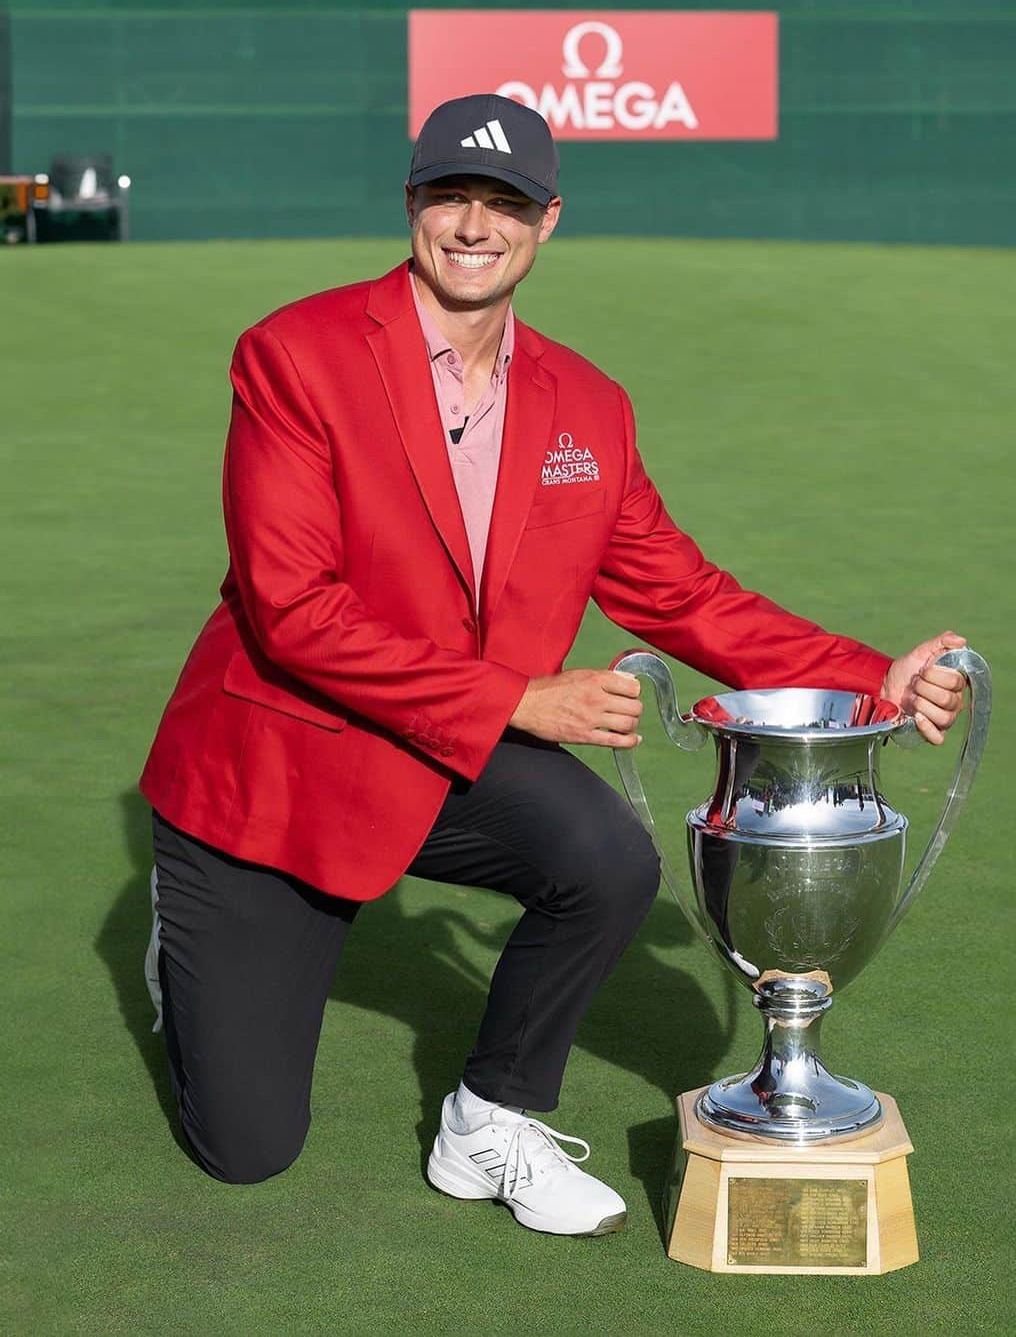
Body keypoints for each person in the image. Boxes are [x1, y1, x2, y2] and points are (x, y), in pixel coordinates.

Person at [139, 94, 965, 1238]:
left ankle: (492, 1114)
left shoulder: (589, 405)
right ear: (413, 205)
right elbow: (292, 613)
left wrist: (876, 675)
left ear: (548, 221)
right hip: (279, 768)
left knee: (605, 857)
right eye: (451, 197)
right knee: (248, 1149)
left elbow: (682, 592)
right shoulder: (297, 354)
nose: (476, 224)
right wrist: (520, 699)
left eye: (507, 202)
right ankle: (181, 934)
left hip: (438, 747)